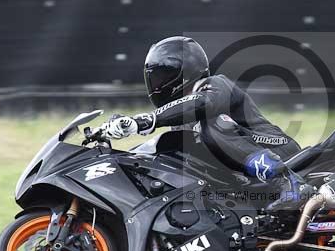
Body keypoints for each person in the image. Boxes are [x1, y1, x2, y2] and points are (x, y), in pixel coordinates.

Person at [99, 36, 312, 211]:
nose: (156, 85)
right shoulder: (178, 122)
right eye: (153, 78)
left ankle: (289, 182)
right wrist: (118, 157)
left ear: (181, 72)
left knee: (213, 125)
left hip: (279, 148)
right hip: (244, 179)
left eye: (162, 76)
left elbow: (202, 103)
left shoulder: (216, 84)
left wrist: (147, 120)